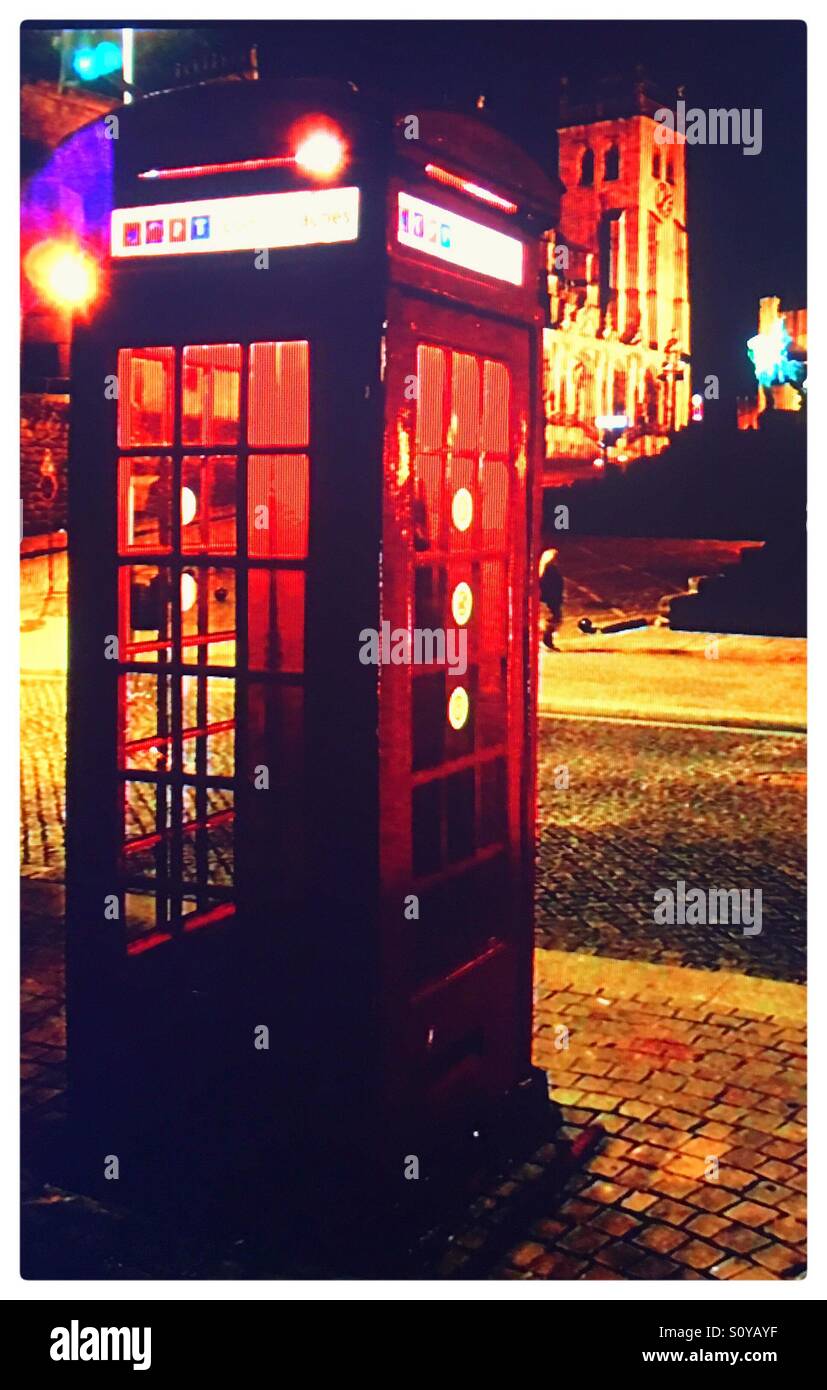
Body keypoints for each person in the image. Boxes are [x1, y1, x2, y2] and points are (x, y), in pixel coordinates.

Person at [539, 547, 564, 651]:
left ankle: (547, 641)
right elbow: (551, 587)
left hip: (552, 599)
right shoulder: (549, 572)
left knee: (554, 620)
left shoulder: (548, 570)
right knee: (552, 620)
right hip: (551, 600)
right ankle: (546, 641)